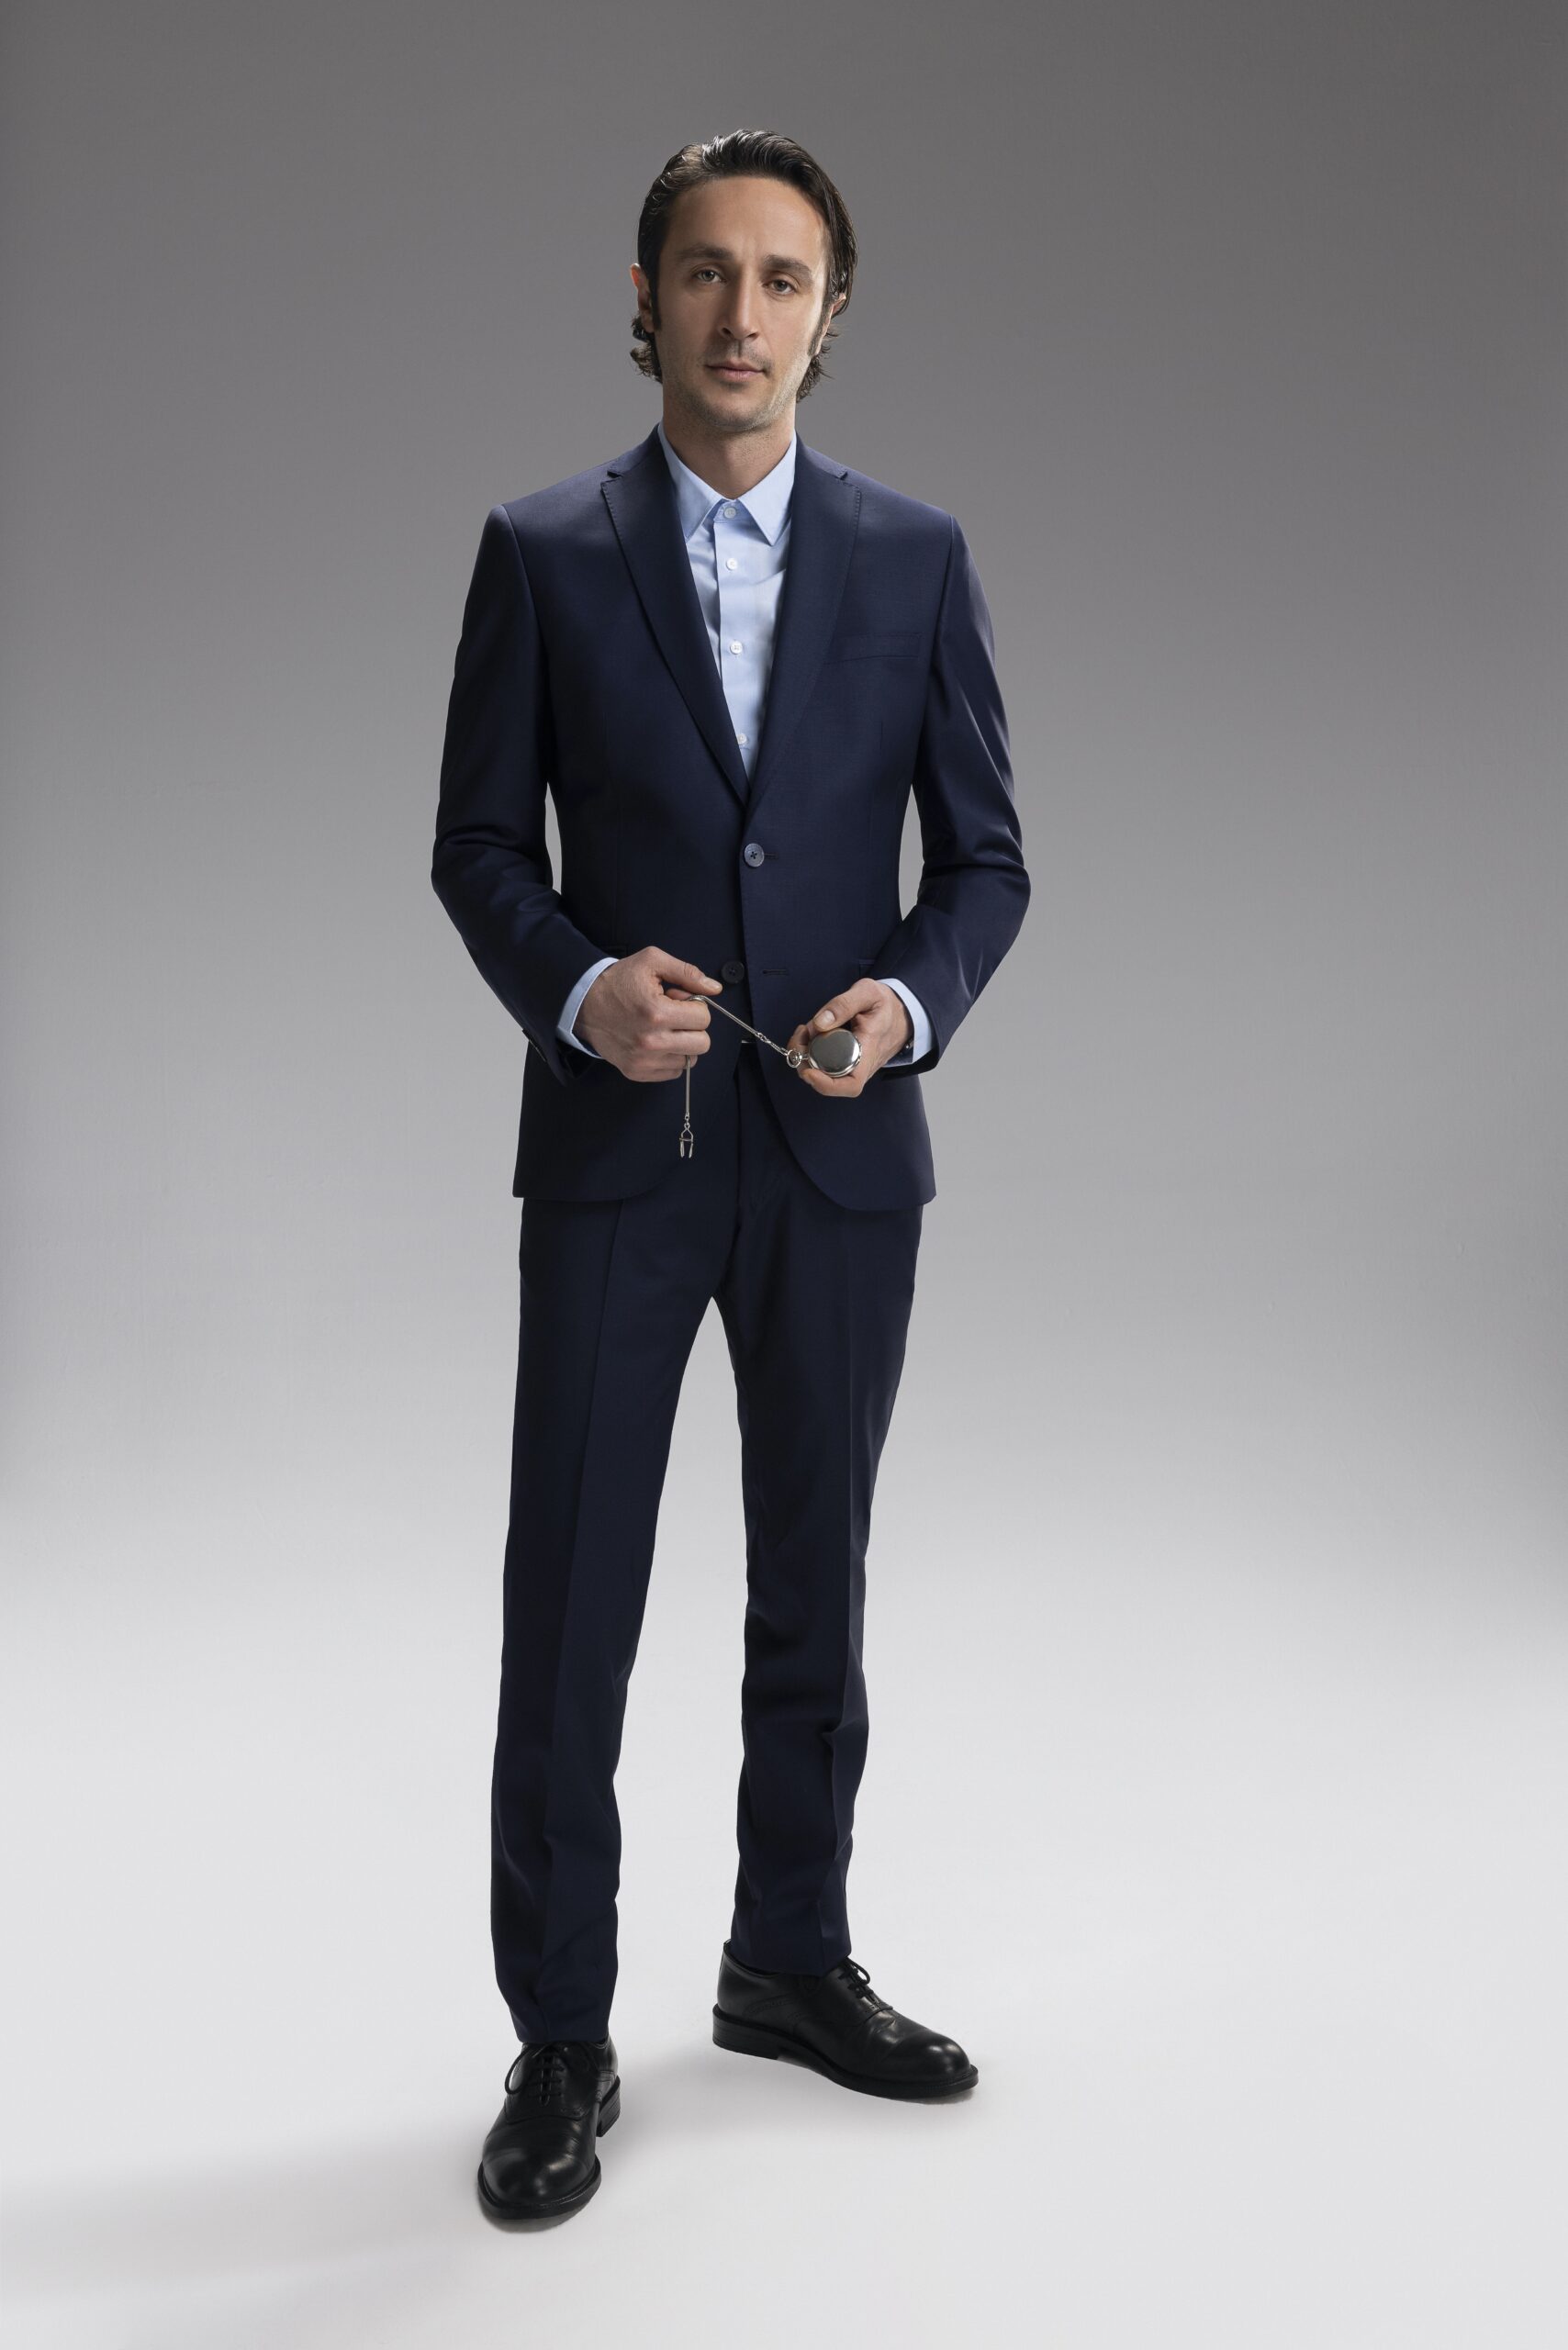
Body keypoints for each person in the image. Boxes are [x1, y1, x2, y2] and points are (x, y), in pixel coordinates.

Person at [431, 127, 1030, 2226]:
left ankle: (786, 1954)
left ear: (828, 313)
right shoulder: (540, 548)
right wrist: (577, 984)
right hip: (621, 1152)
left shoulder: (914, 555)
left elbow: (983, 860)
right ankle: (558, 2032)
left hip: (838, 1154)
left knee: (814, 1583)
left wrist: (910, 1002)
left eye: (781, 278)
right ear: (644, 298)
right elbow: (475, 845)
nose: (741, 313)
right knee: (569, 1602)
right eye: (704, 270)